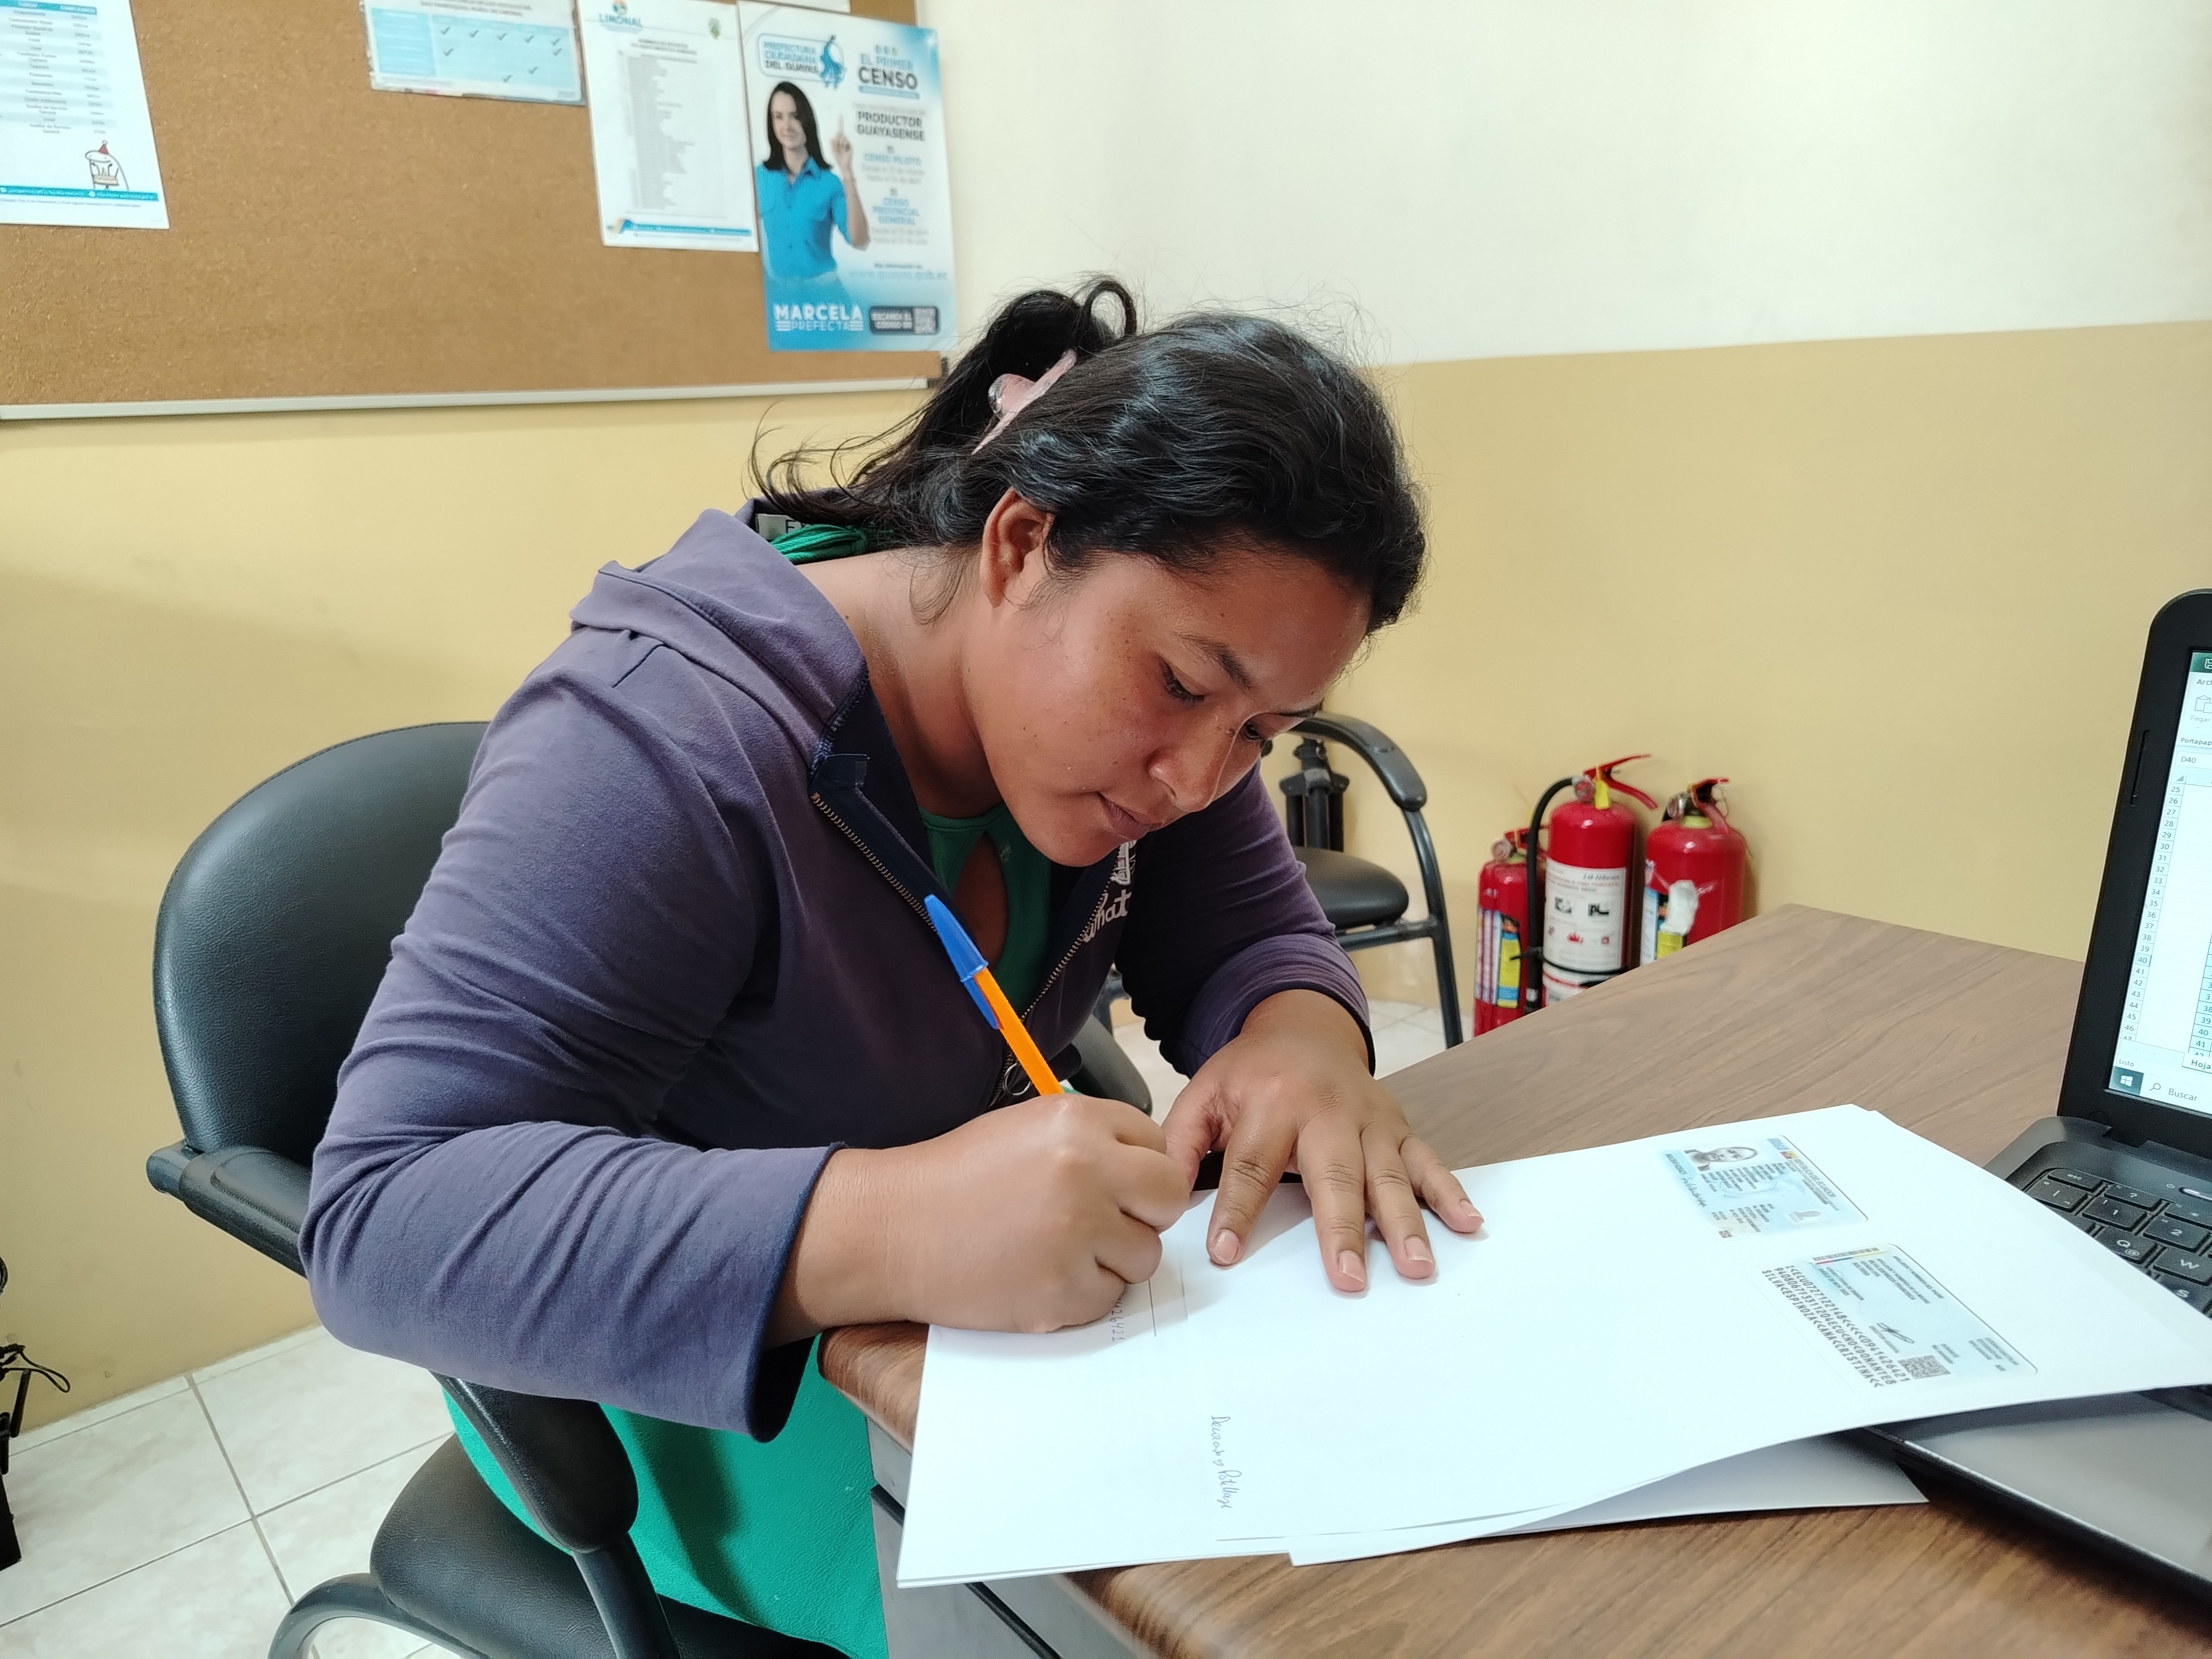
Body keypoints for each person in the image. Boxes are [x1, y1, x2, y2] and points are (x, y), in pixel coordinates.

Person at [301, 279, 1482, 1658]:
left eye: (1264, 730)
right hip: (677, 1386)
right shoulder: (659, 741)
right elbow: (383, 1219)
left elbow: (1256, 939)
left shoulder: (1167, 738)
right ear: (1021, 544)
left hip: (959, 1339)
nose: (1198, 775)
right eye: (1181, 685)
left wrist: (1303, 1042)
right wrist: (890, 1224)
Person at [757, 80, 868, 285]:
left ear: (807, 120)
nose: (786, 126)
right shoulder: (760, 177)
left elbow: (859, 240)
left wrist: (847, 171)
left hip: (823, 294)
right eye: (778, 117)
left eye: (795, 116)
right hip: (778, 295)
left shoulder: (830, 184)